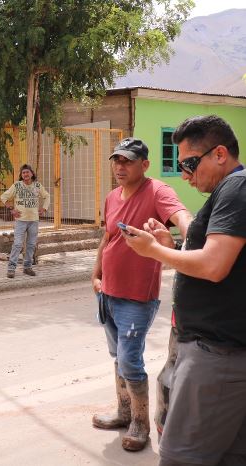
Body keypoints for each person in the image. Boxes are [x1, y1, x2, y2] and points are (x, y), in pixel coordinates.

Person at [123, 115, 246, 465]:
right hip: (220, 350)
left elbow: (213, 266)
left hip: (217, 355)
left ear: (219, 154)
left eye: (190, 164)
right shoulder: (230, 190)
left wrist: (153, 250)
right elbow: (220, 263)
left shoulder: (237, 189)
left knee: (181, 456)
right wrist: (172, 248)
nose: (185, 175)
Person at [90, 137, 191, 452]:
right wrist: (96, 273)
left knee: (130, 359)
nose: (120, 166)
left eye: (128, 161)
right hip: (107, 292)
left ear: (144, 164)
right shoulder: (112, 197)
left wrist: (194, 240)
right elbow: (108, 237)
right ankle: (124, 412)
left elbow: (181, 217)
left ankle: (140, 422)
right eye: (117, 160)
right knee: (117, 356)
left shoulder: (157, 191)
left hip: (137, 297)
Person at [0, 164, 50, 278]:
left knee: (31, 244)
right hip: (20, 221)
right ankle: (11, 268)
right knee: (17, 244)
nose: (25, 174)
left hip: (34, 221)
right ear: (21, 175)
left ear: (32, 174)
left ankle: (27, 267)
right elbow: (3, 197)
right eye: (23, 173)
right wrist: (11, 209)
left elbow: (47, 196)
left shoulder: (37, 186)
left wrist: (44, 208)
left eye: (27, 172)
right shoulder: (17, 186)